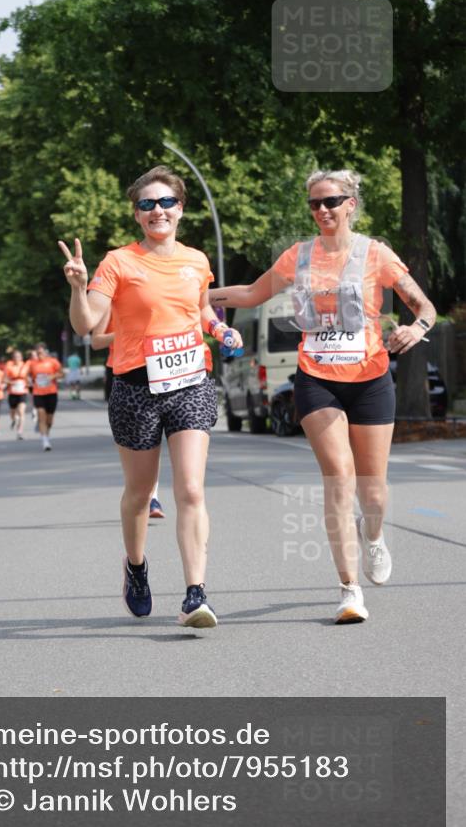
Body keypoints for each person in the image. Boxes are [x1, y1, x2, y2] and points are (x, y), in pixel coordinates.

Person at [210, 169, 436, 624]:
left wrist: (418, 329)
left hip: (371, 379)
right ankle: (349, 590)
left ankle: (372, 535)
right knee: (338, 476)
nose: (323, 210)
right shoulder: (299, 256)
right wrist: (191, 293)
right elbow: (253, 294)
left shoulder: (377, 254)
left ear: (351, 203)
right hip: (316, 379)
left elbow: (424, 306)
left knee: (373, 488)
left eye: (331, 201)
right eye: (314, 204)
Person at [59, 164, 243, 629]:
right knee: (140, 495)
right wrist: (80, 288)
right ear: (137, 215)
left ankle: (195, 594)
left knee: (191, 489)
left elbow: (200, 310)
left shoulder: (197, 260)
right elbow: (86, 324)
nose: (157, 210)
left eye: (165, 202)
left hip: (191, 382)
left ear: (180, 208)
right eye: (147, 204)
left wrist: (221, 329)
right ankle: (136, 567)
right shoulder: (118, 262)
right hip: (136, 387)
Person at [92, 315, 166, 521]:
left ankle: (153, 497)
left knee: (153, 437)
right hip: (122, 372)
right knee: (136, 444)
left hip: (155, 366)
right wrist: (125, 333)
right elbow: (96, 341)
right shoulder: (107, 303)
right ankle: (139, 492)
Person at [24, 343, 63, 451]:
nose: (39, 355)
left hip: (51, 393)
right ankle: (45, 440)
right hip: (38, 393)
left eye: (40, 352)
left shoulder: (53, 361)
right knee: (41, 416)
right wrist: (28, 380)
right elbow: (27, 375)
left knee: (49, 420)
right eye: (37, 353)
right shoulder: (32, 363)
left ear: (46, 352)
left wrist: (53, 376)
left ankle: (46, 433)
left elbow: (61, 373)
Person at [5, 349, 28, 439]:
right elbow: (4, 379)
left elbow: (29, 376)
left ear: (21, 357)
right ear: (12, 358)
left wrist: (29, 382)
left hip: (22, 392)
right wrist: (11, 383)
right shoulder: (9, 366)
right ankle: (14, 420)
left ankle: (20, 432)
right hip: (13, 392)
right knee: (13, 413)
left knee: (21, 411)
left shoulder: (25, 366)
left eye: (18, 357)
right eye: (15, 357)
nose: (16, 358)